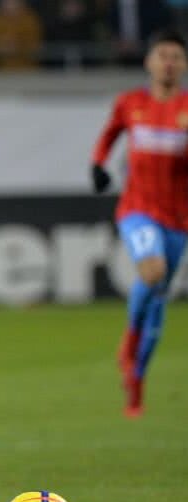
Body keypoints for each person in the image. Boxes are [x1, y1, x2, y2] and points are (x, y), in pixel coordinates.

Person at [92, 29, 188, 417]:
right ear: (149, 61)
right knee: (153, 270)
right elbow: (110, 134)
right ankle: (130, 341)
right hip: (138, 209)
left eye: (175, 57)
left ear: (183, 65)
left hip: (178, 218)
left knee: (158, 294)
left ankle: (137, 380)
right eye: (162, 55)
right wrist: (98, 164)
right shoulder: (130, 103)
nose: (168, 63)